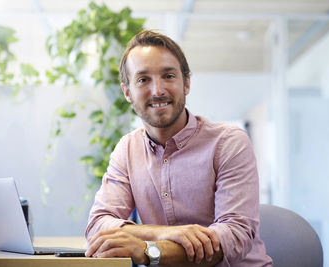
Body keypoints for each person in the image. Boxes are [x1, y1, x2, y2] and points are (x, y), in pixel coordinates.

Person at [85, 30, 273, 267]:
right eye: (143, 79)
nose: (157, 91)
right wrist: (163, 233)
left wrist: (148, 250)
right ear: (127, 92)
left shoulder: (228, 142)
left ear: (187, 83)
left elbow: (233, 237)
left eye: (168, 76)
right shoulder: (127, 149)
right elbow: (98, 224)